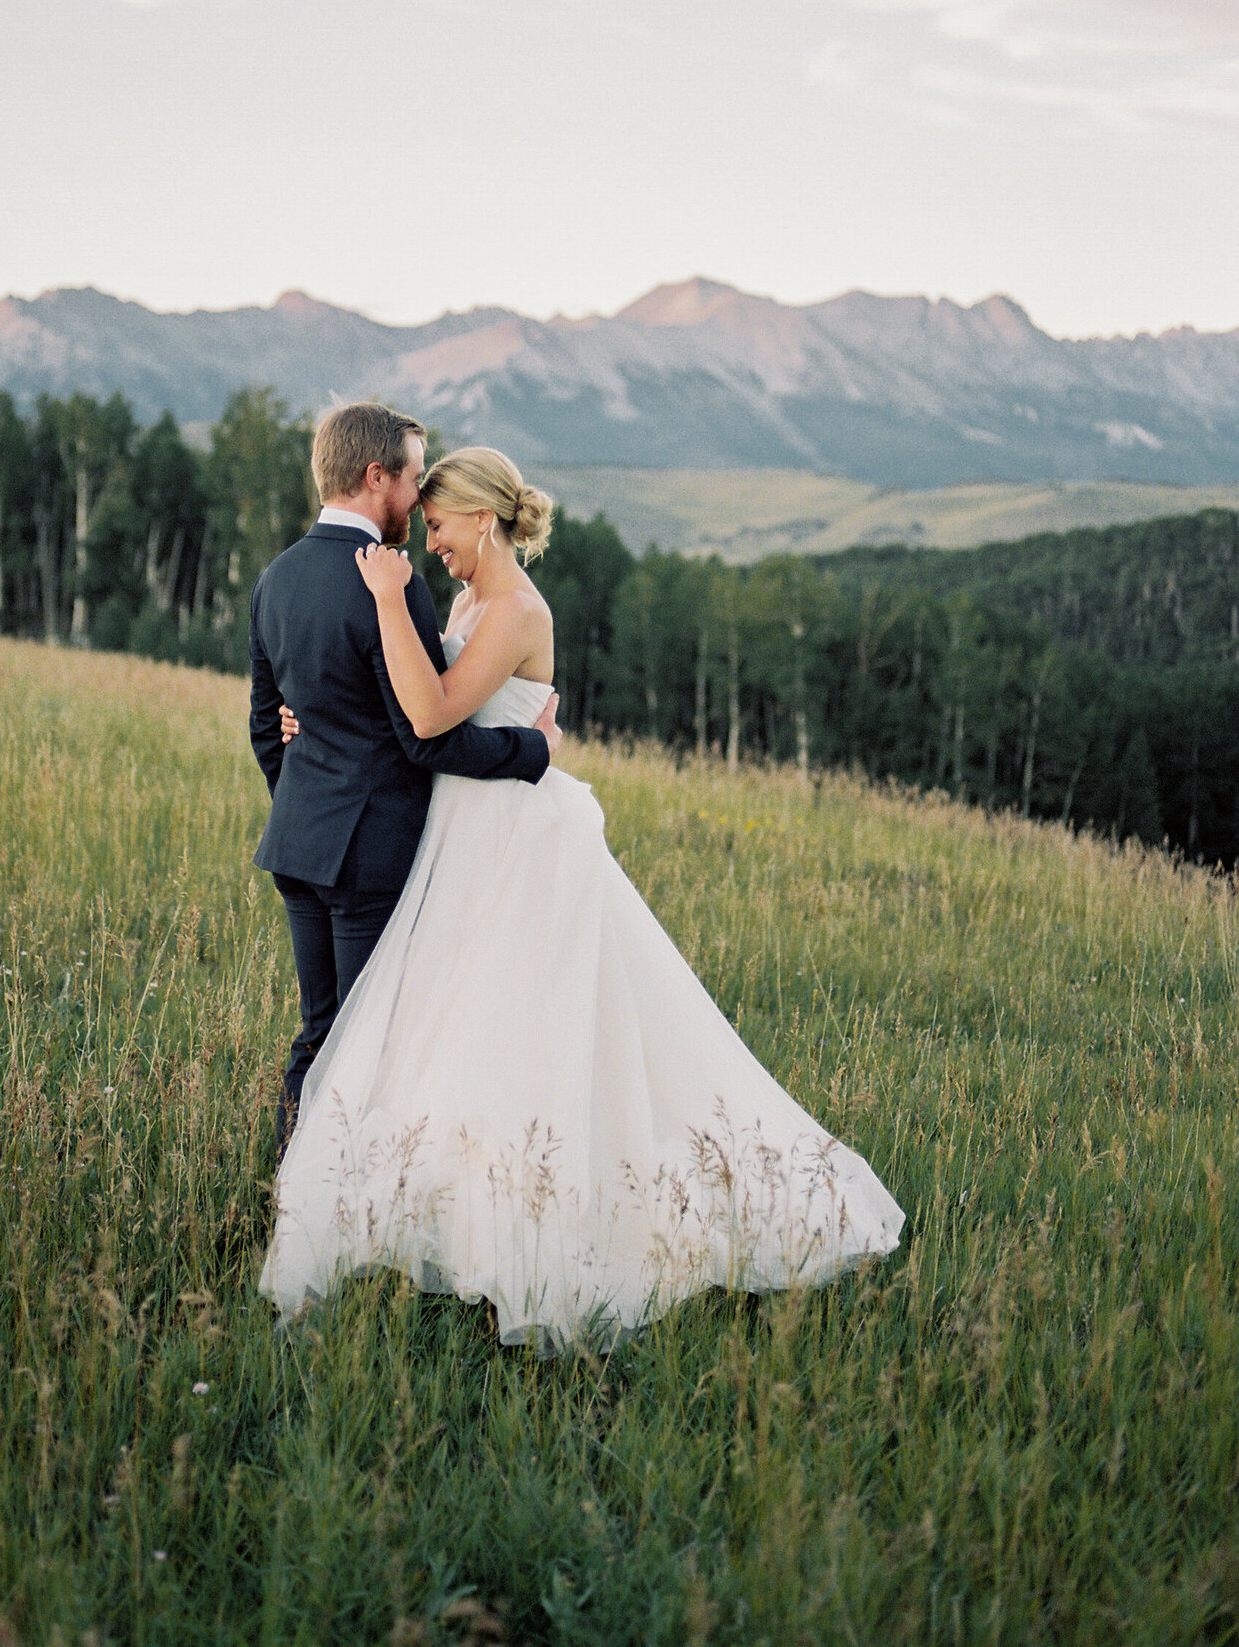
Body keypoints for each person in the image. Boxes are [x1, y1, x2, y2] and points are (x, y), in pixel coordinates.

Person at [258, 445, 904, 1350]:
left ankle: (537, 1228)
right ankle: (449, 1214)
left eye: (441, 525)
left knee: (522, 1036)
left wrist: (379, 604)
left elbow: (435, 714)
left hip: (517, 843)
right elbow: (412, 713)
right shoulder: (472, 597)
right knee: (455, 1032)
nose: (431, 542)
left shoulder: (519, 608)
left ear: (484, 519)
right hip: (466, 831)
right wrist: (314, 716)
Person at [248, 404, 561, 1152]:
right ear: (375, 476)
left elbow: (269, 726)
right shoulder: (395, 588)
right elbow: (425, 738)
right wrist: (530, 751)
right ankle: (343, 1212)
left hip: (297, 843)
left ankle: (289, 1198)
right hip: (372, 855)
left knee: (321, 1032)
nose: (420, 501)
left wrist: (304, 798)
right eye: (416, 479)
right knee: (370, 1040)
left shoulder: (276, 579)